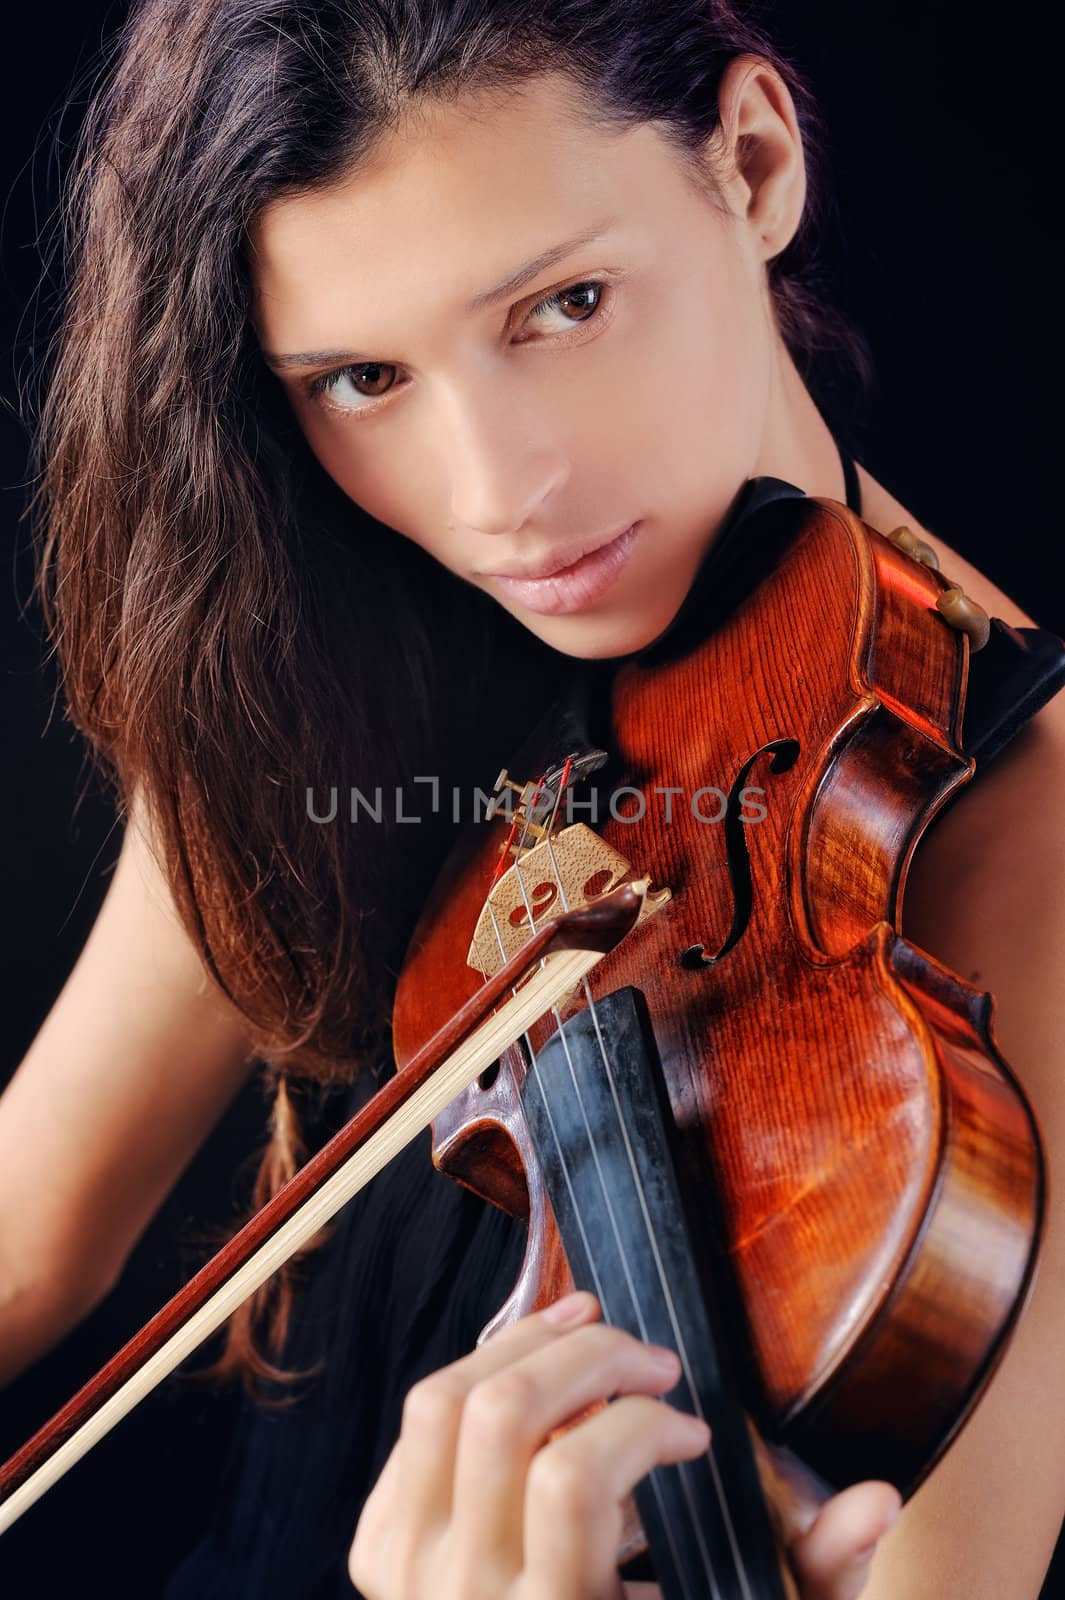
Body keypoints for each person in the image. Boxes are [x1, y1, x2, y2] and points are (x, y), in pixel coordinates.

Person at [2, 1, 1064, 1596]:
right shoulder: (323, 668)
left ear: (752, 165)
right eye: (362, 377)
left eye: (563, 304)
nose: (498, 497)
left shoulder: (1027, 852)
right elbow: (27, 1235)